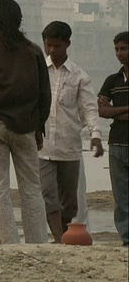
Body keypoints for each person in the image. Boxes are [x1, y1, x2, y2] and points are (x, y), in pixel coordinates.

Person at [0, 0, 51, 244]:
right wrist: (39, 126)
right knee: (31, 188)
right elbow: (44, 95)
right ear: (19, 20)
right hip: (25, 127)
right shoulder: (34, 51)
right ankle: (37, 242)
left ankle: (8, 242)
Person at [39, 21, 104, 243]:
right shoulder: (38, 72)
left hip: (69, 148)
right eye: (48, 46)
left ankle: (66, 234)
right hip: (43, 147)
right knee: (47, 196)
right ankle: (59, 239)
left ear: (67, 44)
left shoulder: (79, 76)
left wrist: (95, 135)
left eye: (57, 46)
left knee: (70, 202)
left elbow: (89, 108)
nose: (52, 51)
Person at [98, 31, 129, 247]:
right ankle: (126, 241)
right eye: (117, 49)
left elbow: (110, 110)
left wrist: (115, 111)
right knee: (121, 198)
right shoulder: (113, 80)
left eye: (124, 48)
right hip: (116, 144)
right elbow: (101, 110)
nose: (119, 53)